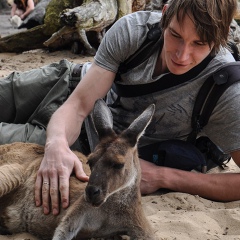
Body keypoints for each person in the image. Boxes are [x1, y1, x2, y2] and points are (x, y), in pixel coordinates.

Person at [1, 0, 240, 216]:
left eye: (200, 43)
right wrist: (56, 147)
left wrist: (162, 176)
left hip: (86, 150)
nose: (182, 54)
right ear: (165, 15)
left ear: (223, 34)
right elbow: (79, 105)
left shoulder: (225, 90)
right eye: (175, 35)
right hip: (65, 85)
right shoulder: (135, 30)